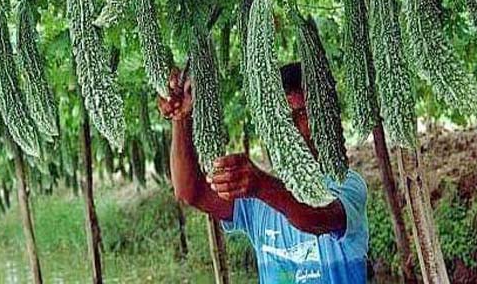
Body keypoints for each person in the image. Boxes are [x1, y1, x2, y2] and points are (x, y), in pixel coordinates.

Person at [158, 62, 368, 284]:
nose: (292, 127)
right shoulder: (258, 200)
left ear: (325, 118)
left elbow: (316, 218)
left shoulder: (348, 185)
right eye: (283, 118)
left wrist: (261, 187)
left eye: (302, 113)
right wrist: (180, 117)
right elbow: (190, 192)